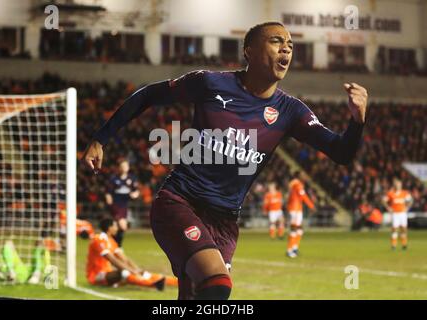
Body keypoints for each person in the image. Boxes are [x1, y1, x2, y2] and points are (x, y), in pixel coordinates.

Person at [82, 21, 368, 299]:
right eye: (276, 41)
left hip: (225, 221)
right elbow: (148, 95)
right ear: (249, 51)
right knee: (217, 284)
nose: (286, 49)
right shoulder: (210, 83)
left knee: (196, 295)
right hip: (180, 203)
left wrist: (357, 121)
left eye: (290, 45)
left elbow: (341, 153)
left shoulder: (291, 110)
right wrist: (101, 138)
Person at [86, 217, 177, 289]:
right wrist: (131, 271)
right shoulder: (98, 239)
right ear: (109, 228)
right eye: (115, 226)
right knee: (124, 273)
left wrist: (137, 270)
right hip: (96, 275)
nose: (117, 228)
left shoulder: (111, 241)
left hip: (108, 273)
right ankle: (152, 284)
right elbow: (112, 259)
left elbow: (124, 259)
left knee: (143, 273)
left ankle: (177, 282)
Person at [105, 158, 140, 247]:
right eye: (122, 166)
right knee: (122, 226)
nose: (124, 168)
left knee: (116, 227)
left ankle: (113, 245)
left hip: (124, 206)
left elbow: (136, 191)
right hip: (115, 205)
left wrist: (135, 194)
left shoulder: (131, 179)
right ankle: (118, 246)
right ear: (119, 168)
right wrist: (109, 200)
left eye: (125, 166)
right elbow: (108, 192)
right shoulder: (114, 179)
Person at [286, 171, 315, 258]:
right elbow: (303, 196)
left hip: (297, 209)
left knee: (299, 230)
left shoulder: (296, 184)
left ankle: (294, 248)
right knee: (294, 229)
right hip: (294, 209)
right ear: (299, 176)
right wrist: (311, 206)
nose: (305, 176)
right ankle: (289, 250)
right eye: (303, 175)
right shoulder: (297, 184)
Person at [382, 178, 413, 250]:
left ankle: (404, 245)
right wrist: (388, 208)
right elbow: (383, 200)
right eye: (396, 184)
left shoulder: (404, 193)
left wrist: (407, 208)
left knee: (404, 229)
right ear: (394, 185)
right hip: (395, 214)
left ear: (401, 185)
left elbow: (410, 201)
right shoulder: (391, 193)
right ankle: (393, 245)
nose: (397, 186)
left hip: (403, 213)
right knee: (394, 229)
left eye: (399, 184)